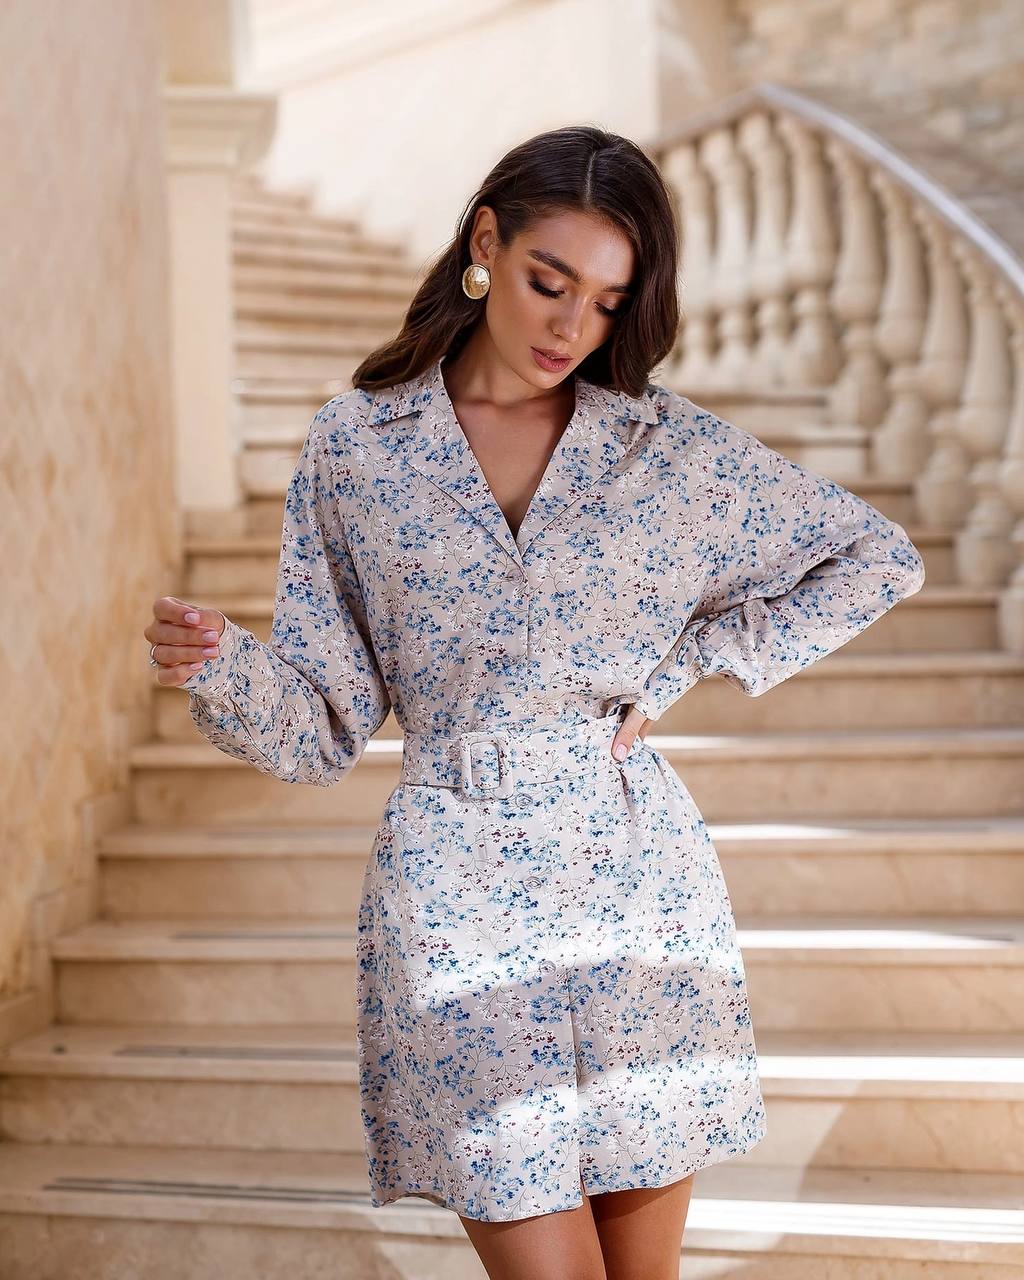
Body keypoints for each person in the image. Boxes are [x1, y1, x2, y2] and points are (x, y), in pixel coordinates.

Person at [145, 125, 926, 1280]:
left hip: (633, 875)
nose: (571, 327)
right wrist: (219, 663)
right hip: (453, 881)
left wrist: (685, 662)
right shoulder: (359, 447)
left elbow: (877, 556)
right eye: (548, 282)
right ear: (484, 244)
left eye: (608, 303)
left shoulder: (669, 453)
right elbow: (319, 729)